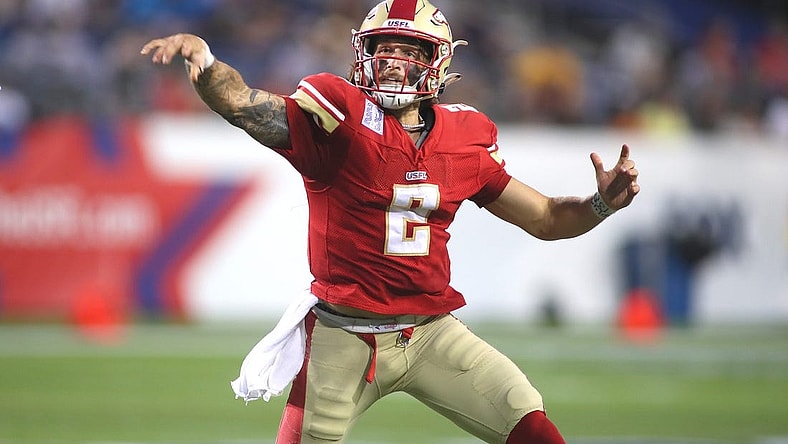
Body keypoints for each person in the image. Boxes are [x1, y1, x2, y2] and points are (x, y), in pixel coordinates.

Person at [141, 1, 639, 443]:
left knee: (527, 421)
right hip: (343, 339)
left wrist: (601, 204)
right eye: (385, 47)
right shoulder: (339, 120)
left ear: (438, 63)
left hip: (430, 332)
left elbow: (548, 217)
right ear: (364, 53)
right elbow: (245, 103)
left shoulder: (465, 136)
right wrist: (205, 63)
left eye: (411, 51)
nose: (394, 61)